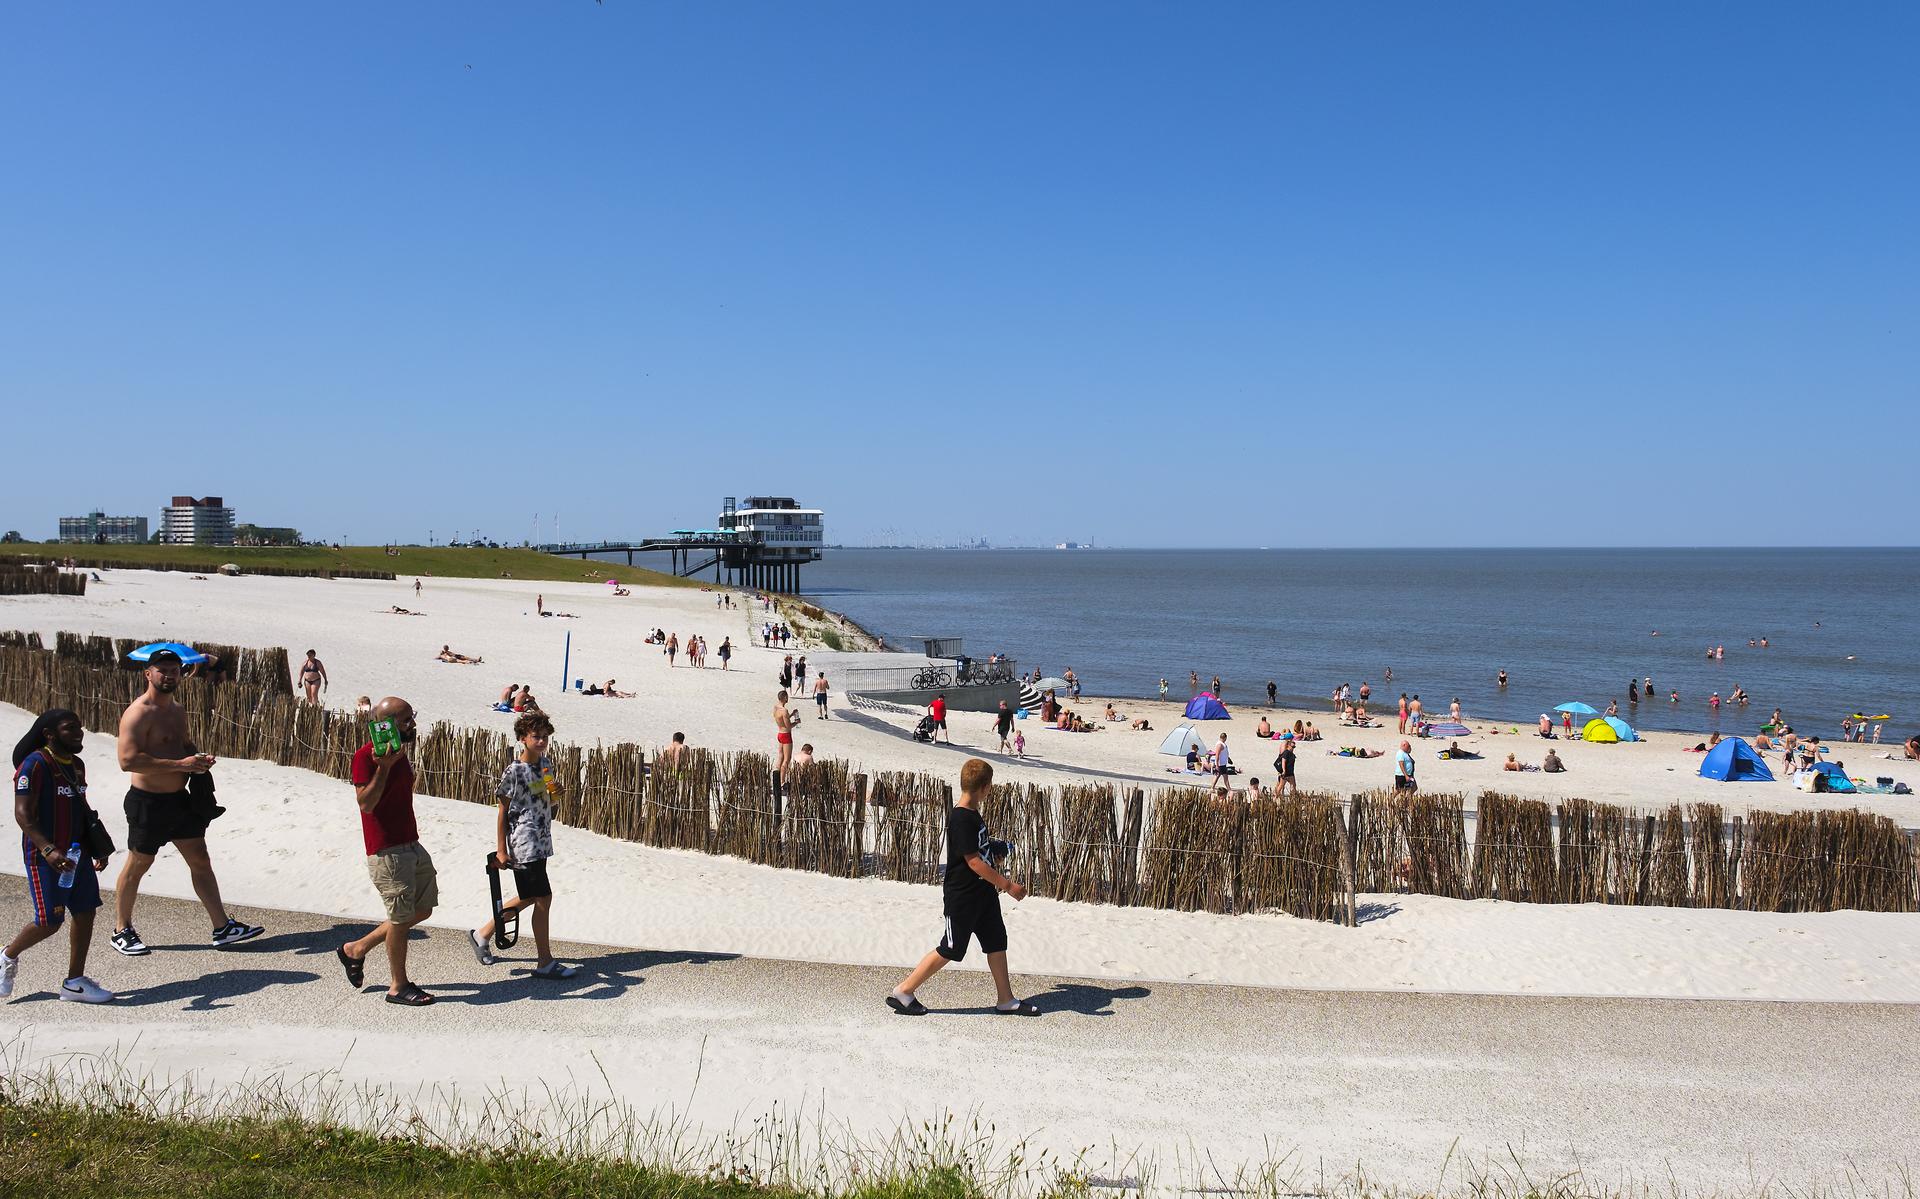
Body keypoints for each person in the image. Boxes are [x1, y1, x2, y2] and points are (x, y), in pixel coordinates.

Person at [110, 650, 262, 956]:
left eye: (174, 670)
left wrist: (198, 759)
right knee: (139, 863)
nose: (169, 675)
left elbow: (181, 745)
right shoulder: (139, 712)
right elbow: (128, 761)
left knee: (200, 860)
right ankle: (121, 929)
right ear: (148, 674)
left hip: (179, 801)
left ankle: (222, 927)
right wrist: (182, 766)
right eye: (162, 670)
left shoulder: (177, 710)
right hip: (148, 803)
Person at [886, 758, 1034, 1016]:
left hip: (983, 895)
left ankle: (1006, 999)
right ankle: (904, 991)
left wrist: (996, 853)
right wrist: (1007, 885)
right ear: (985, 788)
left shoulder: (973, 814)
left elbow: (979, 853)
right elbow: (973, 862)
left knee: (997, 942)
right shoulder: (961, 818)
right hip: (963, 897)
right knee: (952, 948)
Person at [3, 709, 113, 1003]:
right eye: (69, 728)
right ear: (50, 734)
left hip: (77, 854)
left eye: (79, 727)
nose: (78, 732)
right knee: (49, 921)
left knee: (86, 911)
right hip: (44, 856)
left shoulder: (77, 765)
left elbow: (80, 808)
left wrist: (94, 848)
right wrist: (48, 849)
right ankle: (7, 956)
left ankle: (74, 982)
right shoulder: (34, 764)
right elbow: (23, 814)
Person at [340, 696, 437, 1005]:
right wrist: (383, 768)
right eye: (406, 720)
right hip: (386, 851)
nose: (412, 724)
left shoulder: (400, 753)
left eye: (412, 717)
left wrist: (395, 764)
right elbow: (366, 804)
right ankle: (398, 986)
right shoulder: (365, 756)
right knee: (399, 918)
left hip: (410, 843)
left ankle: (356, 949)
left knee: (423, 909)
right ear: (386, 725)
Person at [470, 711, 576, 979]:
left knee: (531, 896)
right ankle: (545, 962)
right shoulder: (514, 771)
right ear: (522, 739)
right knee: (543, 898)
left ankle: (482, 934)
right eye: (536, 737)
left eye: (544, 737)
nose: (541, 741)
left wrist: (556, 796)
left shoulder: (545, 765)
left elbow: (548, 799)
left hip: (542, 839)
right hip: (524, 841)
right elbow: (502, 811)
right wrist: (501, 849)